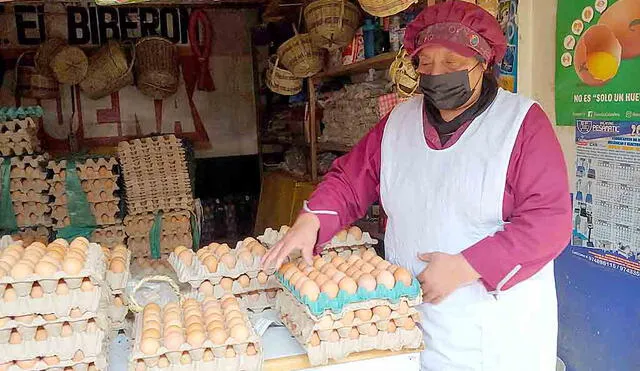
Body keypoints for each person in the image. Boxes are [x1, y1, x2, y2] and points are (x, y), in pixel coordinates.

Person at [262, 1, 572, 370]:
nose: (437, 74)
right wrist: (311, 221)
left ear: (485, 62)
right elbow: (351, 179)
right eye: (426, 64)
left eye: (453, 64)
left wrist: (467, 265)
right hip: (408, 322)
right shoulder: (399, 122)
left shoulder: (520, 124)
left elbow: (549, 222)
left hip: (491, 329)